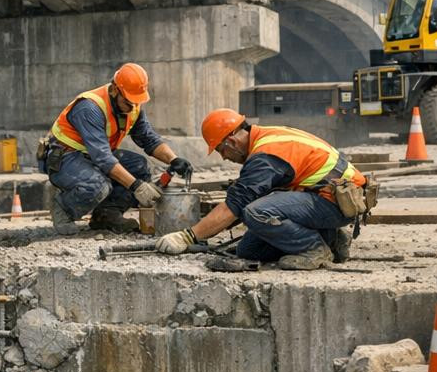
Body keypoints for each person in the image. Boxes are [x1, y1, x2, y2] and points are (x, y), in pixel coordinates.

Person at [155, 110, 365, 269]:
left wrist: (187, 237)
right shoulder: (266, 137)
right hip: (333, 198)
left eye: (221, 150)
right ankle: (332, 239)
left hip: (337, 201)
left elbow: (235, 207)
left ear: (231, 141)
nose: (224, 157)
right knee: (249, 250)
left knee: (256, 212)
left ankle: (313, 248)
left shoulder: (265, 156)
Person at [42, 62, 193, 233]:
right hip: (64, 158)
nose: (133, 108)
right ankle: (64, 208)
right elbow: (103, 158)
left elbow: (148, 139)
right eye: (129, 103)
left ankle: (106, 215)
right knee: (98, 186)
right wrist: (137, 186)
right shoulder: (90, 107)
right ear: (114, 90)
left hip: (91, 156)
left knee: (139, 167)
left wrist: (174, 159)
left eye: (136, 103)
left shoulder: (132, 106)